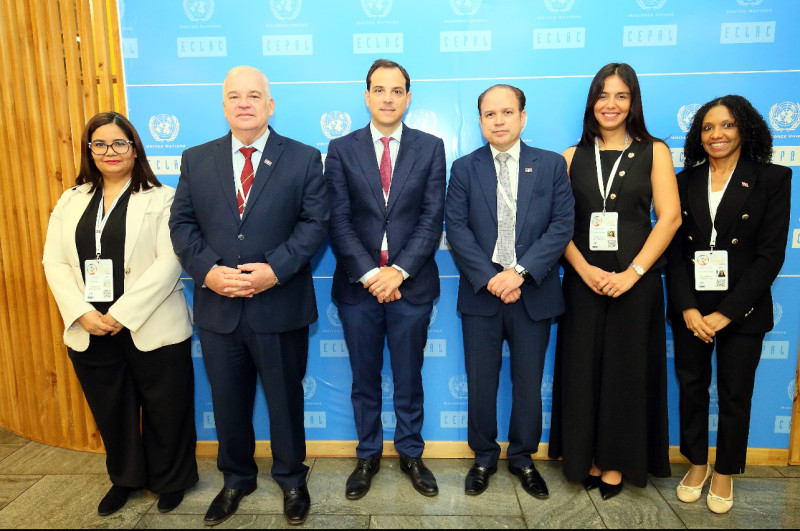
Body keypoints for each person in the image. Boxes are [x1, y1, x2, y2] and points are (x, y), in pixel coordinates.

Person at [169, 66, 329, 526]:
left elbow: (315, 223)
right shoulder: (196, 159)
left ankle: (292, 479)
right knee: (227, 403)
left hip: (279, 306)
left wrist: (275, 271)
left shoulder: (303, 158)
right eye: (235, 96)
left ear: (270, 105)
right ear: (223, 105)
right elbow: (181, 224)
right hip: (219, 308)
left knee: (285, 402)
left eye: (254, 95)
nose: (244, 103)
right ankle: (236, 479)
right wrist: (208, 271)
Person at [42, 112, 197, 517]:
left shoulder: (162, 197)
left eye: (119, 143)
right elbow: (54, 261)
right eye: (100, 144)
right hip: (90, 326)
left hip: (152, 321)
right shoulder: (71, 199)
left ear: (135, 148)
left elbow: (171, 261)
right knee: (111, 409)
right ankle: (126, 479)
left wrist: (122, 314)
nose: (109, 151)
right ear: (89, 150)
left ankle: (172, 480)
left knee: (167, 408)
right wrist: (81, 312)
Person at [548, 62, 680, 499]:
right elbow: (559, 225)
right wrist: (583, 269)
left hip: (636, 284)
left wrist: (633, 273)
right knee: (582, 372)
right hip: (582, 282)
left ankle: (617, 464)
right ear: (592, 102)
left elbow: (670, 218)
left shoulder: (655, 151)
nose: (611, 104)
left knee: (627, 374)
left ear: (633, 102)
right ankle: (583, 457)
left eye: (621, 96)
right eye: (603, 95)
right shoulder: (570, 157)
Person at [445, 84, 574, 498]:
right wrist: (492, 278)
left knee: (528, 383)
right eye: (489, 114)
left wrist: (518, 273)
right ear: (480, 120)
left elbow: (561, 226)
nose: (498, 121)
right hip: (482, 295)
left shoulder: (551, 165)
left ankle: (522, 458)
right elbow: (457, 229)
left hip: (532, 293)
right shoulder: (464, 168)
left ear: (523, 117)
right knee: (481, 384)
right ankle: (483, 457)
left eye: (507, 112)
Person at [326, 59, 446, 500]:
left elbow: (432, 218)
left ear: (408, 98)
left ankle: (411, 453)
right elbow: (337, 219)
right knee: (364, 379)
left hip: (411, 286)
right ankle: (367, 455)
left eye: (397, 91)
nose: (388, 98)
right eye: (379, 90)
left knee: (409, 377)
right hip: (358, 286)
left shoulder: (430, 147)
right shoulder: (342, 148)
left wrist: (398, 272)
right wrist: (372, 274)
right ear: (367, 96)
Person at [665, 95, 791, 514]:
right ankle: (697, 464)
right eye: (707, 127)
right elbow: (674, 252)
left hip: (743, 308)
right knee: (692, 388)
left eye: (727, 125)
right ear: (697, 136)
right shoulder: (683, 181)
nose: (716, 134)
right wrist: (687, 308)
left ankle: (725, 471)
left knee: (736, 393)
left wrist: (726, 313)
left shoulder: (773, 178)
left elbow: (770, 255)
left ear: (745, 129)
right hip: (692, 310)